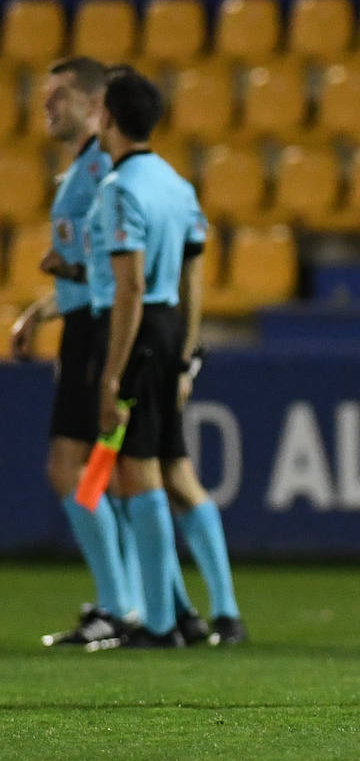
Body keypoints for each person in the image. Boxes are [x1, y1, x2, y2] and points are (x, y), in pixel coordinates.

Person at [84, 66, 244, 647]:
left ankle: (159, 622)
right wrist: (185, 350)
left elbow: (127, 289)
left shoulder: (117, 189)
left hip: (134, 330)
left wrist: (109, 375)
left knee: (135, 470)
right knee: (175, 468)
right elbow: (195, 270)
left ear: (108, 117)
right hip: (170, 328)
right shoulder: (177, 184)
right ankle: (217, 612)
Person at [12, 56, 136, 647]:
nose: (47, 106)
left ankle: (119, 606)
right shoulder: (83, 170)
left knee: (72, 470)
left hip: (97, 329)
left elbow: (117, 265)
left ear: (94, 104)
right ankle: (125, 603)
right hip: (84, 322)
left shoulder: (100, 173)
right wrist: (43, 308)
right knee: (96, 475)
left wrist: (69, 273)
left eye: (60, 95)